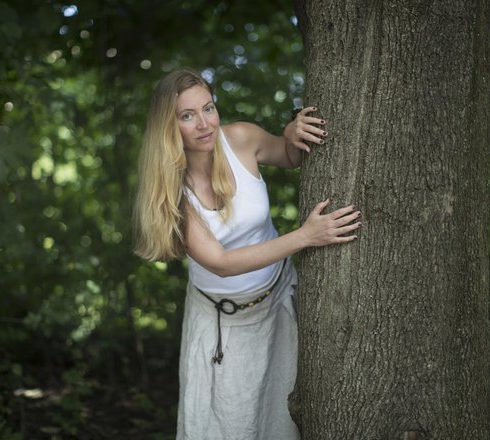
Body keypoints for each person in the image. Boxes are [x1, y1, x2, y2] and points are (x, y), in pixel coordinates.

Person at [133, 69, 361, 440]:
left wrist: (291, 134)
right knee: (228, 427)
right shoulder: (173, 194)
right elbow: (221, 263)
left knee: (281, 423)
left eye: (208, 108)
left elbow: (289, 156)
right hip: (223, 325)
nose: (204, 123)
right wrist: (305, 236)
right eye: (187, 116)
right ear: (168, 127)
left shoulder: (239, 139)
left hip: (277, 305)